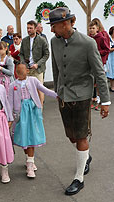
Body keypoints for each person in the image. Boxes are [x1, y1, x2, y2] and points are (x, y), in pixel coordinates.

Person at [48, 7, 110, 195]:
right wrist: (58, 90)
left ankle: (78, 178)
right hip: (64, 95)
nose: (51, 30)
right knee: (72, 136)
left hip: (82, 96)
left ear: (67, 23)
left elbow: (99, 72)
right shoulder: (54, 41)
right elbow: (56, 68)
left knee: (82, 136)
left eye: (54, 26)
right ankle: (86, 156)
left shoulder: (88, 43)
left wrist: (105, 101)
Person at [8, 63, 57, 178]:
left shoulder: (33, 80)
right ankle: (29, 159)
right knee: (23, 138)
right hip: (20, 114)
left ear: (28, 71)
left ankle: (30, 164)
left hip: (32, 112)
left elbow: (44, 89)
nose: (19, 73)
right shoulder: (12, 85)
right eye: (17, 71)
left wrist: (57, 95)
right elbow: (9, 101)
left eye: (22, 71)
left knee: (32, 136)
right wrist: (10, 118)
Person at [20, 20, 49, 106]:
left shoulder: (42, 40)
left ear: (36, 29)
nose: (28, 30)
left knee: (40, 90)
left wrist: (37, 64)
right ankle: (32, 110)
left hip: (38, 69)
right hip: (28, 69)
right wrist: (24, 64)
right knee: (28, 90)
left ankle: (40, 110)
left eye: (30, 28)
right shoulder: (24, 40)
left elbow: (46, 54)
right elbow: (21, 54)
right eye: (27, 28)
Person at [106, 26, 114, 91]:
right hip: (111, 57)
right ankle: (112, 86)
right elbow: (108, 49)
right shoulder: (109, 39)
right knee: (111, 72)